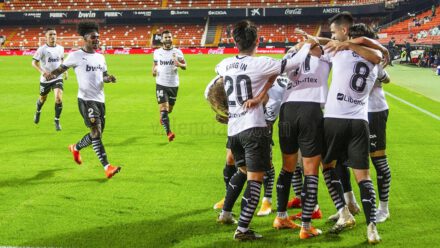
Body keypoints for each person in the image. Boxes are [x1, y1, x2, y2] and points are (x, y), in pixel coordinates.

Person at [215, 20, 315, 241]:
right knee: (255, 180)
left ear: (234, 41)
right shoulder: (261, 63)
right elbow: (294, 62)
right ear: (257, 40)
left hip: (234, 130)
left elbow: (215, 83)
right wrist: (308, 44)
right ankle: (242, 230)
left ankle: (225, 213)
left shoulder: (224, 64)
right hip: (254, 129)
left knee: (241, 171)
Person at [323, 19, 383, 244]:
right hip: (359, 121)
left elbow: (323, 44)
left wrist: (345, 44)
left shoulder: (339, 53)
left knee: (327, 165)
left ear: (350, 36)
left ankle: (344, 211)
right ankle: (372, 228)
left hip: (334, 118)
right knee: (364, 178)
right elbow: (378, 58)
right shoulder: (376, 63)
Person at [45, 22, 121, 179]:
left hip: (100, 100)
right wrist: (50, 75)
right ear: (85, 39)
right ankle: (107, 167)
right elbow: (60, 69)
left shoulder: (101, 57)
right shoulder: (75, 55)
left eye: (98, 37)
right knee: (96, 132)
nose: (97, 40)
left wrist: (109, 78)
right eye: (93, 37)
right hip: (86, 100)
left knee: (96, 135)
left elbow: (104, 75)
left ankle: (75, 147)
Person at [272, 42, 330, 239]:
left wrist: (299, 45)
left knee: (287, 167)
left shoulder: (291, 56)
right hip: (310, 109)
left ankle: (280, 217)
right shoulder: (324, 56)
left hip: (287, 109)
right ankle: (306, 226)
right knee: (311, 170)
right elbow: (325, 45)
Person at [152, 30, 186, 142]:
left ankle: (162, 117)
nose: (168, 39)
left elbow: (185, 65)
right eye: (165, 37)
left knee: (169, 110)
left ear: (172, 38)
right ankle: (169, 133)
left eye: (169, 37)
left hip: (174, 85)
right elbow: (155, 63)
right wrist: (153, 70)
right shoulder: (157, 52)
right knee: (164, 109)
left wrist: (179, 64)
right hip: (161, 83)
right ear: (162, 40)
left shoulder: (178, 52)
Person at [32, 27, 66, 131]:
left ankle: (56, 120)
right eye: (50, 35)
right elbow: (34, 62)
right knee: (43, 99)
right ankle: (38, 111)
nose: (53, 36)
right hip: (45, 79)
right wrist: (43, 72)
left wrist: (65, 71)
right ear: (46, 37)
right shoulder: (42, 49)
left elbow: (62, 60)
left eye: (54, 34)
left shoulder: (60, 48)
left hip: (57, 77)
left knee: (58, 98)